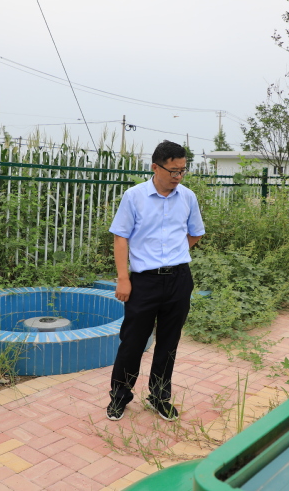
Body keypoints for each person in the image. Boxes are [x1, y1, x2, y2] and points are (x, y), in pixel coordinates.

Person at [106, 140, 205, 421]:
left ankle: (159, 397)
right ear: (155, 167)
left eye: (182, 170)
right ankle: (119, 397)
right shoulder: (134, 196)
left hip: (179, 279)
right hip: (144, 282)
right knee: (132, 342)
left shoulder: (187, 197)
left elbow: (196, 233)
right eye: (173, 171)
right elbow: (120, 237)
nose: (178, 176)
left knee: (168, 343)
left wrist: (174, 253)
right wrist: (123, 278)